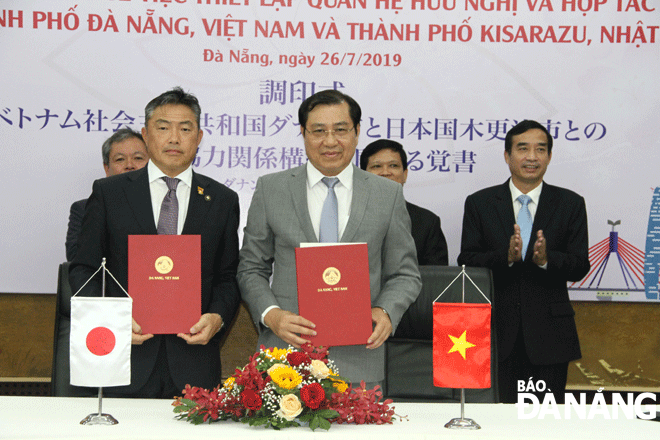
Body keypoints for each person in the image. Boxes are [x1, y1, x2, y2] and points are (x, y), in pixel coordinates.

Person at [237, 89, 422, 386]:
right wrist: (271, 315)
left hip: (360, 356)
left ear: (357, 131)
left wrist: (386, 310)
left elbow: (405, 274)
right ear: (303, 133)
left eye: (340, 130)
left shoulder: (386, 195)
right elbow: (250, 267)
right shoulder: (272, 189)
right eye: (319, 131)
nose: (330, 141)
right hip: (285, 354)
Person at [69, 87, 241, 398]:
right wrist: (113, 320)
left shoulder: (222, 200)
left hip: (194, 364)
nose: (174, 138)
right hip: (122, 359)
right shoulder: (110, 194)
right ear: (147, 135)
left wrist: (217, 317)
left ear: (199, 136)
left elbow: (228, 277)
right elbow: (84, 270)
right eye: (163, 128)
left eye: (185, 129)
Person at [457, 120, 589, 403]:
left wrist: (545, 259)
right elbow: (466, 261)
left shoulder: (570, 203)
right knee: (496, 420)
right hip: (494, 334)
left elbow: (580, 265)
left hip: (550, 337)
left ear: (549, 157)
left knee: (543, 421)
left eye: (540, 149)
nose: (532, 157)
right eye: (523, 149)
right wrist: (504, 258)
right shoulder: (480, 202)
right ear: (507, 156)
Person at [359, 139, 449, 266]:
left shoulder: (427, 222)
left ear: (405, 174)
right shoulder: (348, 216)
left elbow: (436, 278)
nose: (385, 172)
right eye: (376, 166)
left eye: (393, 165)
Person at [65, 128, 149, 261]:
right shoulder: (84, 209)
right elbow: (78, 260)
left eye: (138, 158)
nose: (129, 165)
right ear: (107, 168)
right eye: (120, 159)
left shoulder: (168, 205)